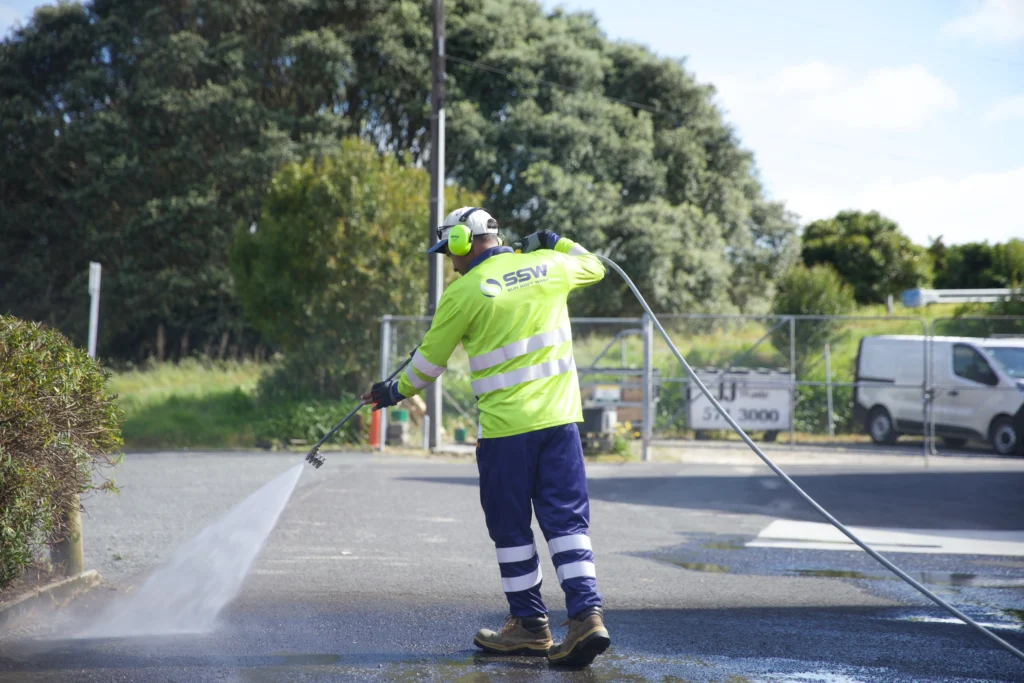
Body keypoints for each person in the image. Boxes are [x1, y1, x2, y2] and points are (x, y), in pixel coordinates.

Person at [362, 206, 610, 667]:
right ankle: (586, 618)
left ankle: (530, 626)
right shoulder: (551, 267)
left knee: (511, 528)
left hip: (505, 432)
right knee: (567, 524)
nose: (448, 260)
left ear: (463, 240)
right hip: (560, 424)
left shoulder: (464, 291)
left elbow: (428, 365)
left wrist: (391, 391)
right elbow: (594, 265)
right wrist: (556, 241)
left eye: (449, 250)